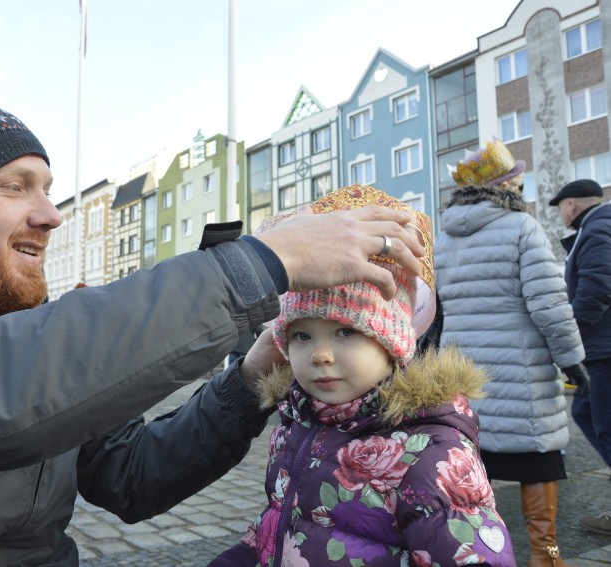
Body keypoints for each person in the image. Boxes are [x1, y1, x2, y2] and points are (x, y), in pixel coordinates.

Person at [0, 99, 425, 566]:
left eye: (49, 189)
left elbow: (133, 474)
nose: (50, 214)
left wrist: (252, 377)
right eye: (16, 187)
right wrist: (264, 262)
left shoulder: (23, 327)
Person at [210, 185, 514, 566]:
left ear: (393, 343)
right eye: (302, 336)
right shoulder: (296, 424)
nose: (320, 354)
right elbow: (275, 527)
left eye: (346, 332)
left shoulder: (432, 456)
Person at [435, 140, 588, 566]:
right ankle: (547, 556)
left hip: (465, 370)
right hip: (520, 370)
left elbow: (436, 308)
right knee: (537, 463)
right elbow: (548, 303)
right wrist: (572, 358)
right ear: (507, 186)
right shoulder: (522, 227)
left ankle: (480, 555)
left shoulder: (443, 237)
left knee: (471, 468)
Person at [549, 178, 611, 535]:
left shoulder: (598, 229)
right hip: (601, 350)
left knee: (605, 424)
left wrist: (568, 335)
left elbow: (598, 288)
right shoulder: (598, 227)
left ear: (571, 204)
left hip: (605, 351)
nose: (561, 213)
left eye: (560, 206)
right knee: (586, 411)